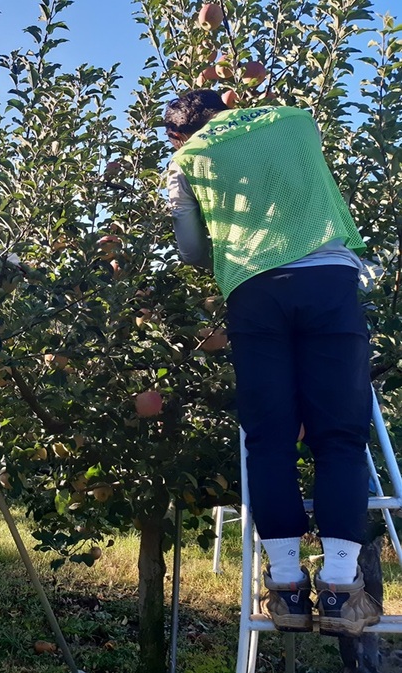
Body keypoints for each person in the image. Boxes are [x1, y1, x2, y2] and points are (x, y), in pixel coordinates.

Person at [164, 90, 381, 638]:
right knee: (340, 437)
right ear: (230, 103)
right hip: (329, 279)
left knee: (269, 438)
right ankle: (338, 592)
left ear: (178, 134)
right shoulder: (297, 119)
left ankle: (285, 587)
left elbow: (191, 251)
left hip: (254, 291)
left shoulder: (186, 161)